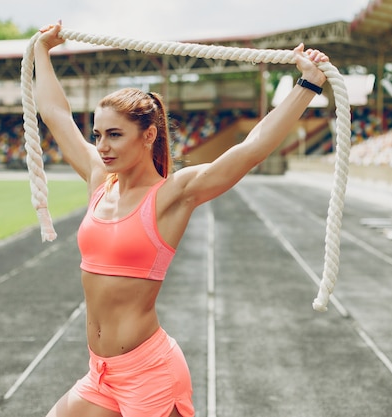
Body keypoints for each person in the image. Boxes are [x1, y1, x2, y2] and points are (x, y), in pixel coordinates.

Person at [34, 20, 329, 417]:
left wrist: (307, 86)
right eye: (98, 134)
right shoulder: (99, 179)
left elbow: (251, 149)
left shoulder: (173, 194)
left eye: (115, 135)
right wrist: (41, 50)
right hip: (101, 374)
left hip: (150, 374)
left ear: (148, 135)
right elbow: (54, 113)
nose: (101, 146)